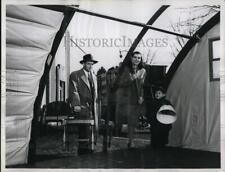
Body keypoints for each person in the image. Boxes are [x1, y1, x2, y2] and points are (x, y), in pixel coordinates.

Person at [115, 51, 146, 148]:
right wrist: (135, 76)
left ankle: (131, 140)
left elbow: (142, 86)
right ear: (131, 58)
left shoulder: (143, 71)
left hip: (136, 98)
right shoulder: (125, 69)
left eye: (139, 58)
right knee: (126, 119)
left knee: (133, 120)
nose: (137, 59)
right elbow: (122, 83)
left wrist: (141, 96)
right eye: (135, 57)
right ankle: (126, 138)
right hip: (126, 97)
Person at [69, 54, 98, 155]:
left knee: (91, 128)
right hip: (81, 106)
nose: (90, 66)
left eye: (92, 64)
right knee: (83, 128)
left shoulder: (94, 76)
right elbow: (74, 90)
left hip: (92, 107)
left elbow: (95, 93)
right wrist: (76, 104)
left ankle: (90, 147)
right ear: (83, 64)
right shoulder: (75, 74)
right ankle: (82, 150)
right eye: (88, 64)